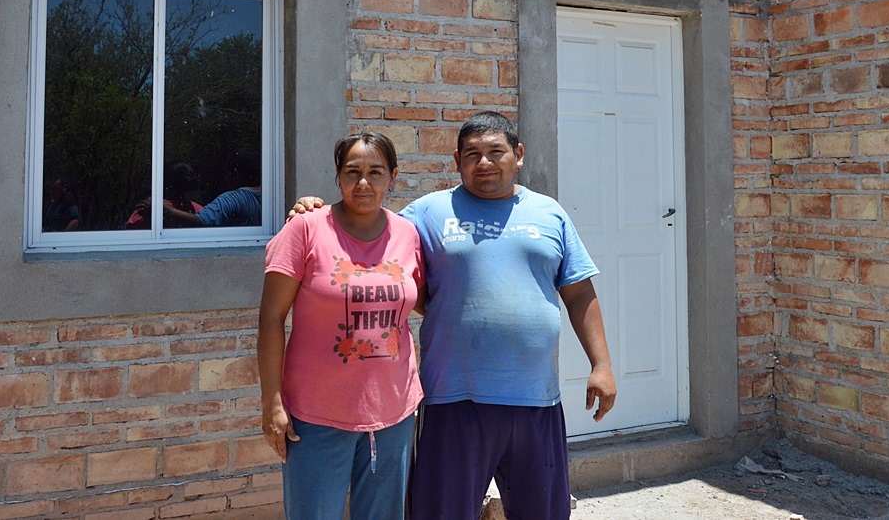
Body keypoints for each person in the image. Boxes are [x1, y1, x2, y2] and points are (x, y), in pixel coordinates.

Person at [293, 111, 616, 520]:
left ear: (518, 154)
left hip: (536, 398)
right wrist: (315, 212)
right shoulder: (427, 213)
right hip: (454, 398)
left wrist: (601, 365)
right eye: (472, 154)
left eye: (495, 151)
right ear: (457, 160)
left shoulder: (550, 213)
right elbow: (366, 231)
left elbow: (578, 291)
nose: (484, 162)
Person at [259, 132, 424, 520]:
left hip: (394, 414)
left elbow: (424, 299)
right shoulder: (306, 229)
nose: (363, 182)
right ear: (338, 176)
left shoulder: (407, 233)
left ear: (393, 177)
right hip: (317, 417)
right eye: (352, 171)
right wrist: (272, 403)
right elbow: (270, 319)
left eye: (375, 172)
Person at [158, 148, 263, 228]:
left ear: (234, 173)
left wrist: (164, 209)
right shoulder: (269, 199)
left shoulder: (232, 199)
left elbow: (202, 221)